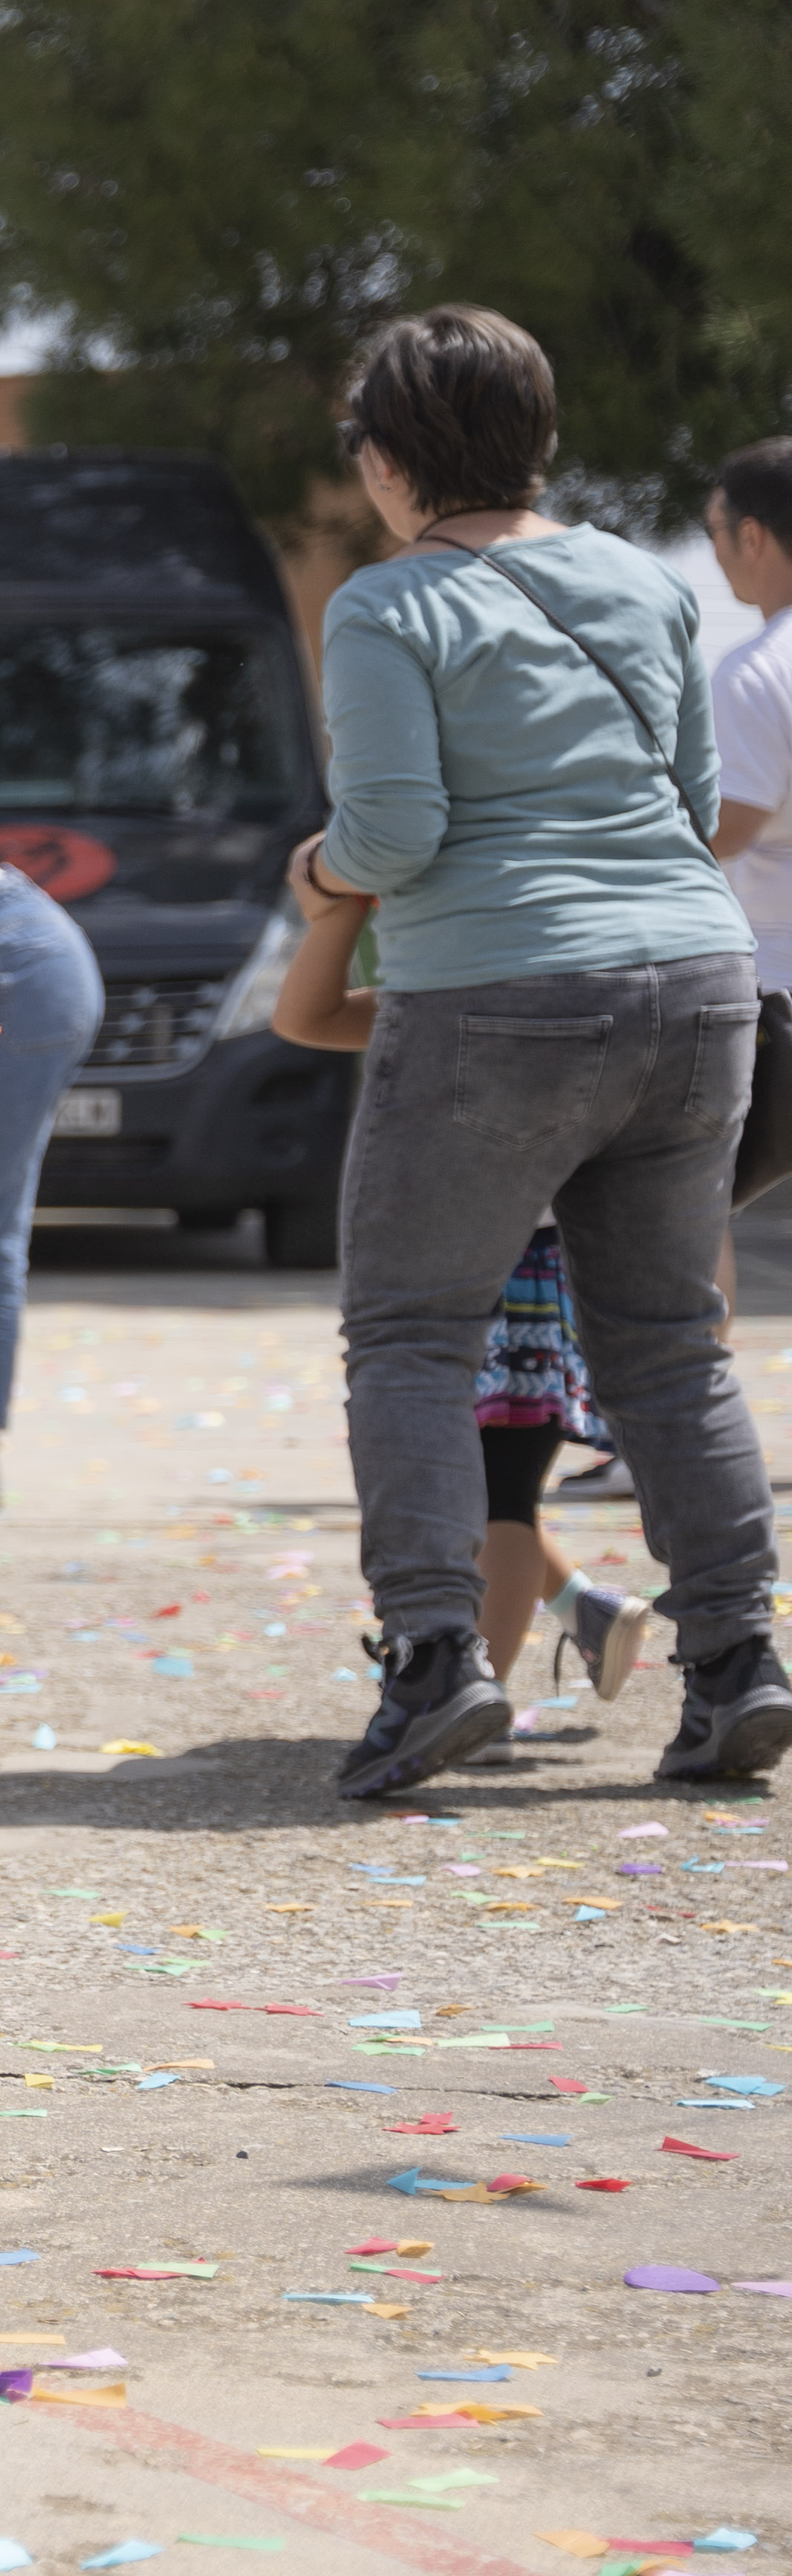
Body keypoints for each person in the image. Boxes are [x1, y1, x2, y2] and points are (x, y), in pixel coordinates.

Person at [305, 302, 784, 1796]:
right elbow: (692, 796)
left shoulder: (387, 607)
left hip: (494, 994)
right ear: (541, 436)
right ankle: (738, 1663)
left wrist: (317, 871)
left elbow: (394, 832)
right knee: (669, 1343)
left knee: (412, 1334)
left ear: (390, 460)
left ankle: (435, 1660)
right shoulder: (644, 580)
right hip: (698, 980)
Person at [270, 829, 662, 1752]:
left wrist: (336, 905)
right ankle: (567, 1617)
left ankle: (474, 1700)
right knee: (485, 1486)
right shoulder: (430, 1001)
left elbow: (307, 1015)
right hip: (483, 1275)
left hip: (520, 1275)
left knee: (500, 1496)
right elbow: (305, 1016)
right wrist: (338, 908)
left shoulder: (462, 1003)